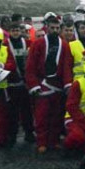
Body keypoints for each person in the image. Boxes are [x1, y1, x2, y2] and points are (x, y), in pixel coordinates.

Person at [24, 15, 74, 153]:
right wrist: (34, 85)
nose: (55, 30)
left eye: (57, 28)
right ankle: (42, 141)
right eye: (52, 28)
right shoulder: (38, 44)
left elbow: (66, 66)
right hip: (42, 84)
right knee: (42, 116)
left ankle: (54, 140)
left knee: (57, 115)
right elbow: (30, 66)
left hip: (57, 85)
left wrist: (67, 84)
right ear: (47, 28)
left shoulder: (63, 45)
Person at [5, 21, 34, 144]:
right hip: (11, 83)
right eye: (13, 31)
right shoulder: (5, 45)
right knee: (12, 113)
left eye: (17, 30)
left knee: (27, 111)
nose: (16, 33)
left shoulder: (27, 43)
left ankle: (29, 133)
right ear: (9, 32)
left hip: (25, 83)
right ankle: (12, 135)